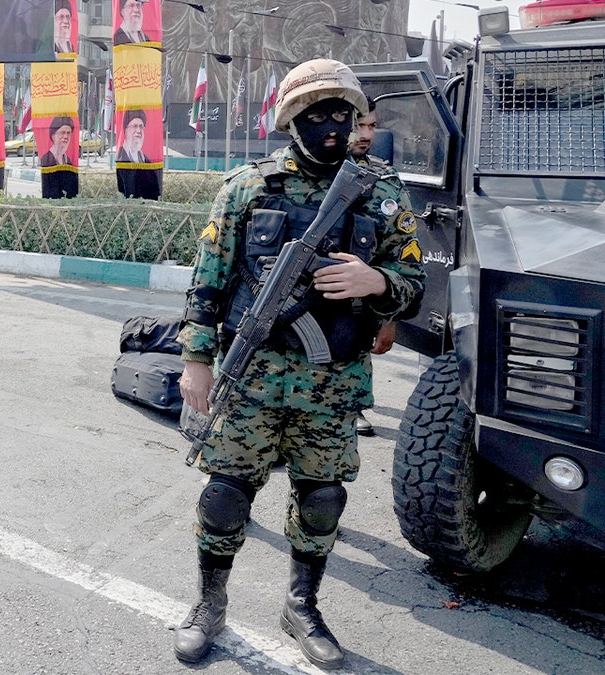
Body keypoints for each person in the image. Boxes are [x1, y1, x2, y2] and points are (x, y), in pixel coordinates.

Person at [172, 59, 425, 669]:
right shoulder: (247, 188)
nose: (334, 127)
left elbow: (414, 284)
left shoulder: (382, 193)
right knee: (225, 497)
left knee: (322, 499)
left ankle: (301, 603)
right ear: (292, 120)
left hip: (332, 381)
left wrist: (375, 280)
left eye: (343, 113)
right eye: (319, 115)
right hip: (253, 378)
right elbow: (207, 282)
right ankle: (210, 603)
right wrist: (195, 361)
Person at [349, 97, 397, 436]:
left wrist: (389, 318)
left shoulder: (382, 179)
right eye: (358, 125)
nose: (366, 134)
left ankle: (354, 405)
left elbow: (395, 257)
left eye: (372, 126)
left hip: (359, 299)